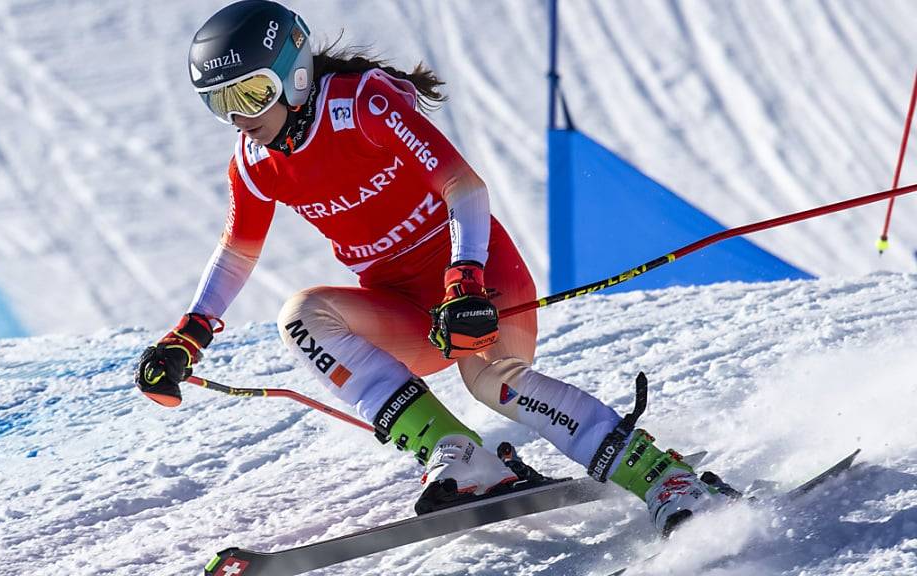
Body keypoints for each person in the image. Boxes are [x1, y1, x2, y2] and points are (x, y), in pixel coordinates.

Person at [134, 0, 732, 534]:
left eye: (249, 95)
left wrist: (465, 280)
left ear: (293, 74)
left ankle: (666, 479)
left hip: (478, 280)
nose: (239, 117)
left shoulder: (360, 104)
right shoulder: (255, 162)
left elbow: (464, 189)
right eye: (220, 103)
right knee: (302, 316)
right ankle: (459, 455)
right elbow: (237, 250)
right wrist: (190, 333)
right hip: (408, 313)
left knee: (491, 379)